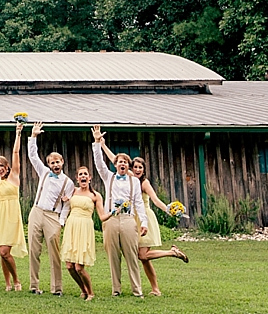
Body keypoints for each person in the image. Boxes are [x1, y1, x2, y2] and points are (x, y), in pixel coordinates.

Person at [100, 142, 190, 295]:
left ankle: (171, 254)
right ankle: (155, 287)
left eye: (140, 168)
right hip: (130, 219)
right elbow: (115, 159)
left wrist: (169, 209)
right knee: (143, 257)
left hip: (144, 217)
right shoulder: (128, 177)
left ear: (144, 170)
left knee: (141, 255)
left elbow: (155, 200)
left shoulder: (143, 183)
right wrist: (102, 144)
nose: (137, 170)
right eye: (135, 167)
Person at [91, 124, 147, 298]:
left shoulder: (135, 182)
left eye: (125, 162)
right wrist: (97, 142)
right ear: (115, 165)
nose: (122, 164)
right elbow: (99, 164)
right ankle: (116, 289)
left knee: (131, 254)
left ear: (128, 166)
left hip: (129, 219)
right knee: (113, 256)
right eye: (119, 162)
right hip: (111, 219)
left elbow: (139, 203)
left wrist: (143, 222)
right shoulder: (109, 177)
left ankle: (137, 290)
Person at [26, 121, 75, 296]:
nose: (55, 165)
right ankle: (34, 285)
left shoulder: (68, 182)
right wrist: (33, 136)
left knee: (54, 253)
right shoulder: (44, 172)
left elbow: (67, 205)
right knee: (33, 249)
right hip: (37, 211)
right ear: (48, 164)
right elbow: (32, 156)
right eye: (52, 162)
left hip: (53, 216)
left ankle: (57, 288)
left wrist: (61, 222)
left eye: (57, 162)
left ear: (62, 162)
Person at [59, 165, 113, 301]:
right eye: (80, 175)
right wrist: (64, 200)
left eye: (85, 174)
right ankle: (82, 290)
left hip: (84, 228)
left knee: (79, 267)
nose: (83, 177)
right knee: (69, 266)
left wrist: (114, 212)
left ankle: (91, 292)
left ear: (89, 178)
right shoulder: (73, 192)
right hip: (71, 226)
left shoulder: (95, 196)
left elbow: (102, 217)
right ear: (77, 178)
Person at [0, 122, 28, 291]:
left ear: (6, 166)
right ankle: (8, 283)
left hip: (11, 215)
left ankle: (17, 280)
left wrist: (18, 133)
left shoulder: (14, 177)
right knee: (1, 252)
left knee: (5, 251)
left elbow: (16, 152)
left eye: (1, 166)